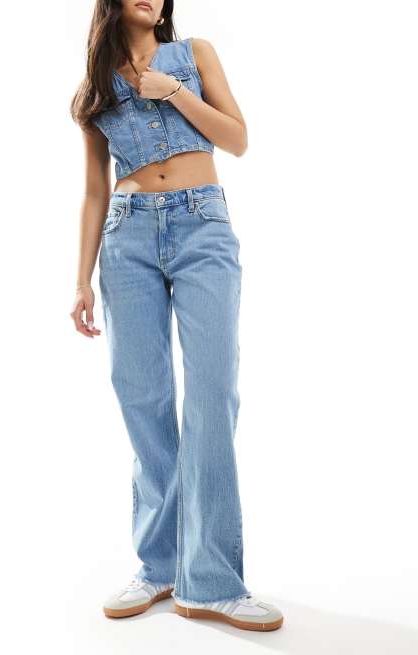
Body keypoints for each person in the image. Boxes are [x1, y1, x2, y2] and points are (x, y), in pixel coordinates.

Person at [69, 0, 283, 632]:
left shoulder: (194, 55)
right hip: (127, 237)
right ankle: (160, 564)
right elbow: (93, 190)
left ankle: (211, 581)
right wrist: (80, 280)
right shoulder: (94, 86)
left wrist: (174, 93)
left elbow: (237, 139)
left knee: (212, 394)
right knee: (143, 397)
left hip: (201, 225)